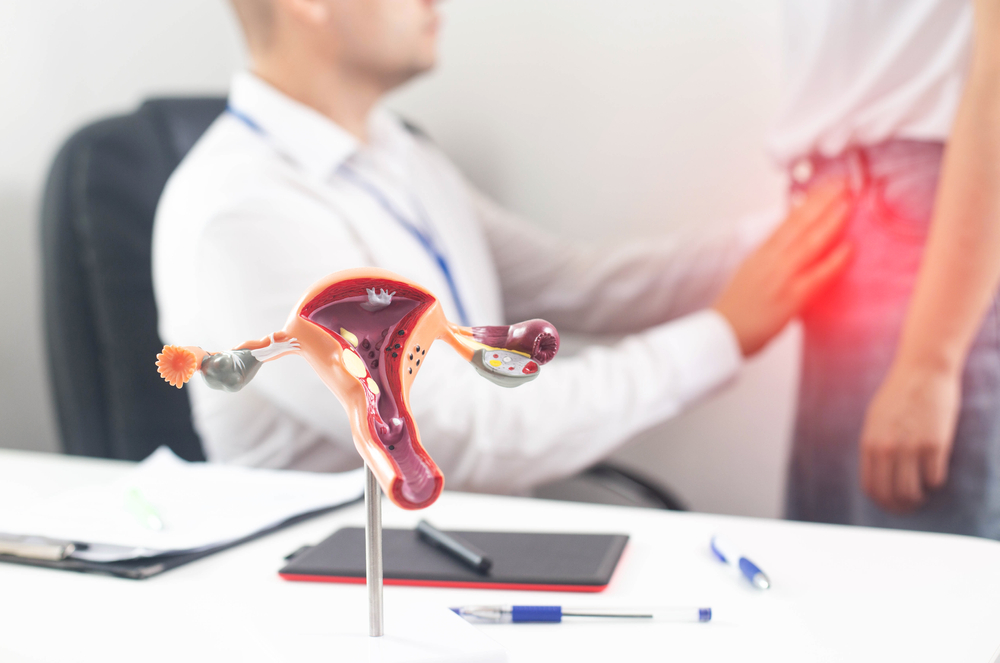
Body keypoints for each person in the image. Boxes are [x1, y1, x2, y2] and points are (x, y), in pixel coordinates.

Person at [153, 0, 849, 495]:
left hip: (461, 558)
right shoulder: (242, 211)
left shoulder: (397, 154)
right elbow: (469, 431)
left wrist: (808, 227)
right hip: (345, 593)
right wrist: (722, 334)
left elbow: (581, 286)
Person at [775, 0, 1000, 538]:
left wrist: (931, 359)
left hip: (928, 233)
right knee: (833, 566)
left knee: (923, 586)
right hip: (855, 222)